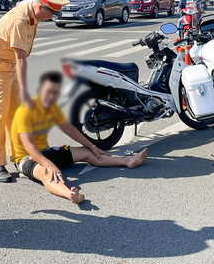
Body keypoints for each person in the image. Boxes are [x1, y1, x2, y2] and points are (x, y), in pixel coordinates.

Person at [13, 71, 148, 203]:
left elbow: (69, 129)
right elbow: (29, 147)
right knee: (45, 171)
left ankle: (127, 161)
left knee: (86, 152)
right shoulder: (25, 111)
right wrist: (48, 164)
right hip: (26, 158)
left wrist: (93, 147)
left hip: (45, 152)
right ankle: (70, 194)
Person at [0, 0, 70, 183]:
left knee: (15, 114)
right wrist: (25, 91)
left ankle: (18, 155)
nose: (52, 17)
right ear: (40, 7)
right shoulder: (20, 20)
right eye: (51, 13)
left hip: (10, 66)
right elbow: (21, 59)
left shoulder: (33, 15)